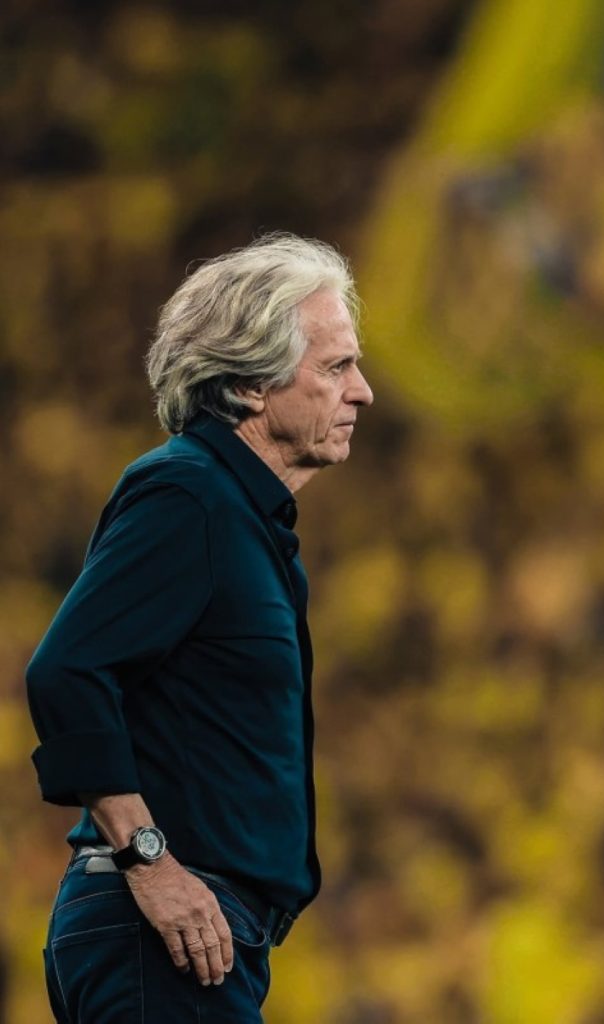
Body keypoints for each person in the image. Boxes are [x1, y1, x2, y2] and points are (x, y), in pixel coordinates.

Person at [25, 233, 374, 1023]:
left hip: (195, 940)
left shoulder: (241, 520)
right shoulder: (189, 495)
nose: (362, 392)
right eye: (335, 367)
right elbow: (66, 672)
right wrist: (149, 861)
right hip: (160, 930)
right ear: (250, 384)